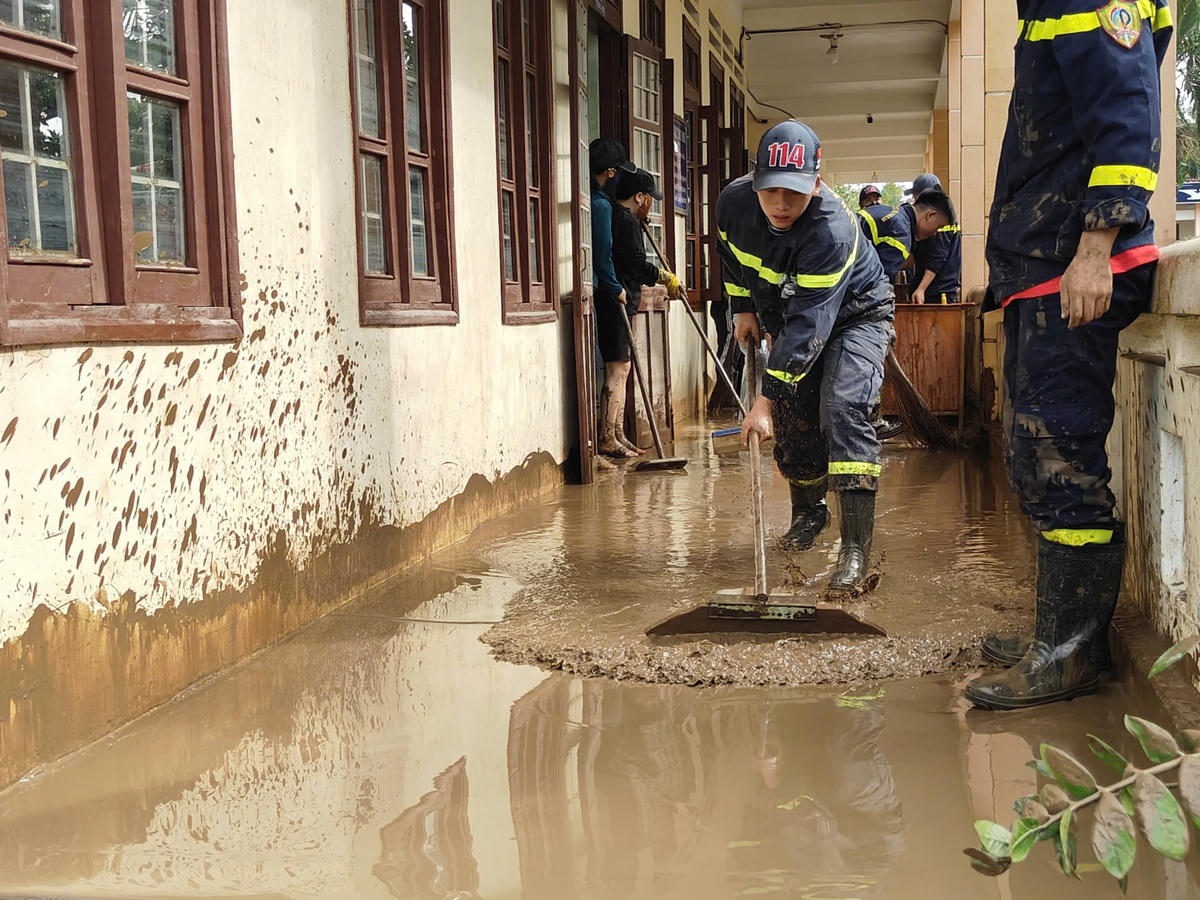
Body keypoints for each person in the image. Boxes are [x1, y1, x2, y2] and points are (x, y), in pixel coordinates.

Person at [966, 0, 1173, 710]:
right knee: (1030, 450)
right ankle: (1059, 632)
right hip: (1039, 260)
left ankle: (1073, 651)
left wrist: (1096, 246)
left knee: (1057, 450)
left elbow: (1126, 109)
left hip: (1070, 261)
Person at [718, 120, 893, 591]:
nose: (780, 203)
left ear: (816, 184)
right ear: (754, 181)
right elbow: (734, 259)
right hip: (790, 312)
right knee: (795, 416)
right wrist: (743, 307)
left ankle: (855, 549)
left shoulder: (831, 231)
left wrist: (762, 401)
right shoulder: (732, 205)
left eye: (793, 192)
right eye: (770, 189)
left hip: (856, 316)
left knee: (842, 408)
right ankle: (810, 512)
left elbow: (808, 331)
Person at [589, 138, 639, 458]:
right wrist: (615, 287)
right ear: (609, 171)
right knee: (616, 369)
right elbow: (602, 255)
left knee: (621, 369)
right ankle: (608, 437)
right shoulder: (601, 206)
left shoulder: (597, 201)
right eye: (616, 172)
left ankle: (617, 433)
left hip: (603, 291)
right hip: (606, 293)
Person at [858, 189, 956, 282]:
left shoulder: (891, 213)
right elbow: (875, 282)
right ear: (930, 215)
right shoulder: (900, 234)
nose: (935, 233)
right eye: (938, 227)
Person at [906, 173, 962, 304]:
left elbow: (938, 257)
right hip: (931, 291)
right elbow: (918, 256)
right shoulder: (935, 218)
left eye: (915, 196)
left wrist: (921, 289)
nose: (915, 202)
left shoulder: (939, 220)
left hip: (937, 293)